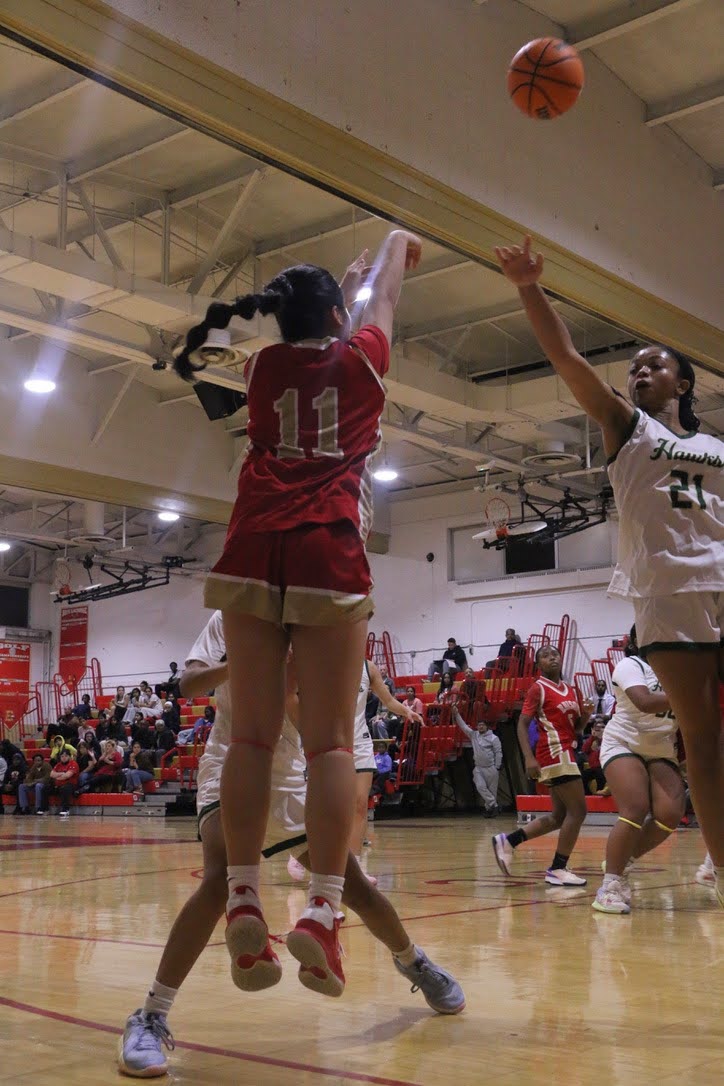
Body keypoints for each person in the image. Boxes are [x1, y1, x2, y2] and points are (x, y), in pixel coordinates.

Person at [172, 227, 422, 993]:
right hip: (325, 549)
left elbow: (326, 328)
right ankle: (319, 907)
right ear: (338, 319)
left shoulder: (260, 367)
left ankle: (243, 894)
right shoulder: (362, 361)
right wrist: (391, 246)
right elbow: (380, 299)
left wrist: (339, 289)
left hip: (252, 545)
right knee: (327, 747)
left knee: (248, 737)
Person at [118, 612, 463, 1078]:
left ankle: (415, 963)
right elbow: (189, 684)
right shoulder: (231, 614)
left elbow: (315, 717)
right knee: (219, 881)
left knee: (355, 886)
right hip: (229, 760)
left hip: (291, 771)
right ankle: (150, 1015)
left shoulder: (315, 620)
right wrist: (240, 667)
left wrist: (295, 687)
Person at [497, 235, 724, 907]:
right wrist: (528, 286)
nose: (640, 373)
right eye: (635, 368)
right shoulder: (628, 427)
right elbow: (567, 358)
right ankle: (715, 860)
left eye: (655, 366)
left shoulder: (714, 445)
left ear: (685, 382)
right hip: (671, 592)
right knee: (703, 743)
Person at [592, 626, 685, 914]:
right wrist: (691, 696)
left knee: (670, 815)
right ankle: (609, 887)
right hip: (624, 742)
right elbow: (644, 701)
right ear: (636, 640)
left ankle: (622, 858)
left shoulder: (681, 670)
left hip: (661, 747)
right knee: (635, 807)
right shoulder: (631, 664)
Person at [492, 645, 592, 886]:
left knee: (559, 816)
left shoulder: (571, 690)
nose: (552, 658)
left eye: (555, 654)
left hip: (567, 749)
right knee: (578, 812)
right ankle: (558, 868)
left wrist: (586, 715)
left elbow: (576, 728)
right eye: (546, 656)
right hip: (555, 752)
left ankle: (509, 841)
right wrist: (528, 757)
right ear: (539, 664)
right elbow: (522, 724)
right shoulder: (538, 688)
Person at [453, 707, 502, 817]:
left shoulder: (494, 738)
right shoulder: (474, 735)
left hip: (491, 768)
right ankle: (495, 805)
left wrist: (497, 766)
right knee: (480, 786)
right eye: (479, 725)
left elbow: (498, 752)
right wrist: (457, 714)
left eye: (482, 725)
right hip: (479, 768)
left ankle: (490, 810)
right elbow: (463, 726)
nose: (480, 727)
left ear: (487, 726)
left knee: (492, 790)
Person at [48, 748, 79, 817]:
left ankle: (65, 809)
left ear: (69, 756)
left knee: (65, 788)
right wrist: (62, 773)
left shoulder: (73, 764)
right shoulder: (58, 765)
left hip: (71, 785)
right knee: (45, 788)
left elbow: (68, 775)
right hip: (58, 784)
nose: (64, 758)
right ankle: (44, 809)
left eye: (66, 756)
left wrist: (57, 776)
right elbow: (51, 774)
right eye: (62, 756)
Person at [580, 720, 608, 794]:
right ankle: (588, 795)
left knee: (600, 775)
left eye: (602, 727)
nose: (599, 729)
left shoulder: (608, 739)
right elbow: (584, 749)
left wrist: (601, 737)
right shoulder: (591, 740)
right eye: (596, 728)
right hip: (593, 768)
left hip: (603, 767)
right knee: (581, 777)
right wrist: (593, 737)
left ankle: (600, 794)